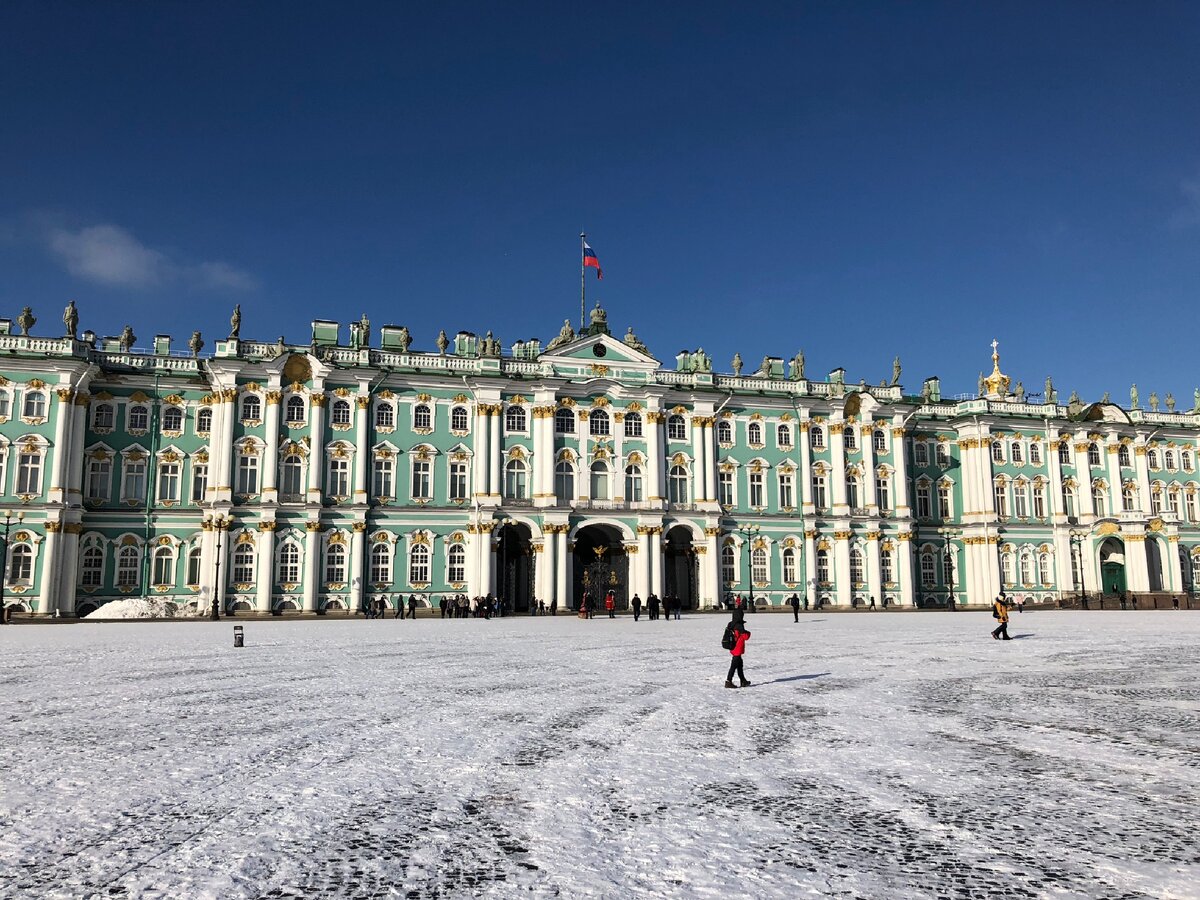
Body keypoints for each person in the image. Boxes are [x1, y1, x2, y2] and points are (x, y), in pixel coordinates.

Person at [725, 619, 751, 688]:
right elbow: (746, 636)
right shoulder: (739, 627)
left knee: (740, 666)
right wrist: (747, 632)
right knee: (733, 666)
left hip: (733, 648)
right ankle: (728, 681)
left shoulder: (731, 625)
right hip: (737, 649)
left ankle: (743, 681)